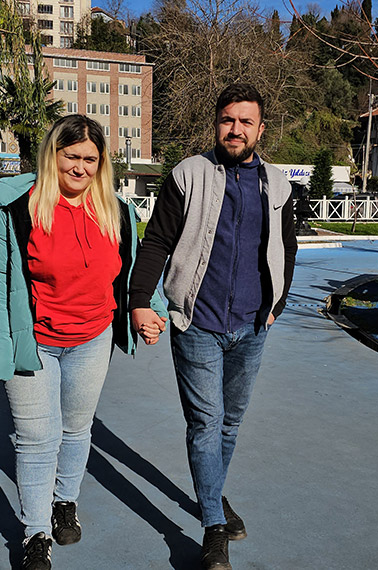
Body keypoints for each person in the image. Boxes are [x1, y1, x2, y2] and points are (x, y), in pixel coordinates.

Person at [0, 115, 167, 570]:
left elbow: (136, 267)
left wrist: (149, 307)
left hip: (93, 336)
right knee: (37, 438)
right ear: (52, 156)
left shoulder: (116, 210)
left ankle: (65, 502)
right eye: (71, 157)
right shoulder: (16, 205)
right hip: (34, 339)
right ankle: (35, 532)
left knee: (77, 429)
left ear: (102, 165)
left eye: (90, 160)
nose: (80, 168)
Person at [129, 83, 297, 570]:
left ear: (261, 129)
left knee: (229, 424)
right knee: (205, 424)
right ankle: (212, 527)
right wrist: (141, 301)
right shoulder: (189, 175)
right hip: (197, 322)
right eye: (228, 119)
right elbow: (158, 240)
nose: (236, 129)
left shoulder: (279, 185)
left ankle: (211, 494)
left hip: (252, 326)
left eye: (246, 121)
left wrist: (278, 304)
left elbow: (288, 247)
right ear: (216, 124)